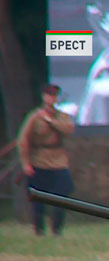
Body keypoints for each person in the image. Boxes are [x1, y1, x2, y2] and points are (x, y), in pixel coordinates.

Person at [18, 84, 76, 236]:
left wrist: (50, 121)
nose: (52, 98)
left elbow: (68, 129)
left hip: (58, 161)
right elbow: (23, 140)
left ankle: (57, 229)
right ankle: (39, 230)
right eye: (49, 95)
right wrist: (26, 164)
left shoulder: (62, 116)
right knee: (38, 199)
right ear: (44, 97)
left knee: (62, 194)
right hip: (39, 161)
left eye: (55, 95)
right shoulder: (34, 117)